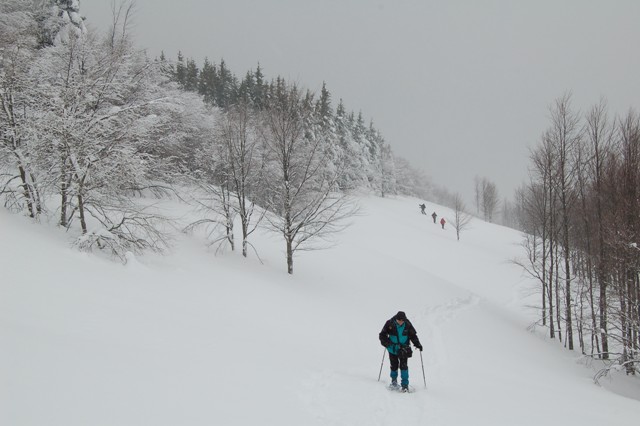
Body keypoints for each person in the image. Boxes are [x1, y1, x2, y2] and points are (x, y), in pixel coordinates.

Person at [379, 311, 423, 391]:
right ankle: (394, 381)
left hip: (403, 349)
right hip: (392, 348)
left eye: (402, 320)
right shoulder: (390, 323)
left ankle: (405, 385)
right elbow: (382, 335)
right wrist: (386, 343)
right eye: (399, 320)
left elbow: (413, 335)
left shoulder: (407, 324)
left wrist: (418, 344)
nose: (401, 322)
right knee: (394, 365)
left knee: (404, 366)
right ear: (396, 319)